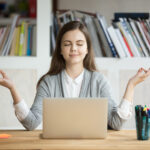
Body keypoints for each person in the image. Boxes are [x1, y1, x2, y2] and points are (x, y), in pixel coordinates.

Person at [0, 21, 150, 131]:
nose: (73, 49)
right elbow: (31, 123)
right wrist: (13, 88)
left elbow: (116, 123)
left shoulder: (99, 81)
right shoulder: (48, 82)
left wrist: (131, 85)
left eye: (79, 44)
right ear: (60, 49)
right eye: (67, 44)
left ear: (87, 49)